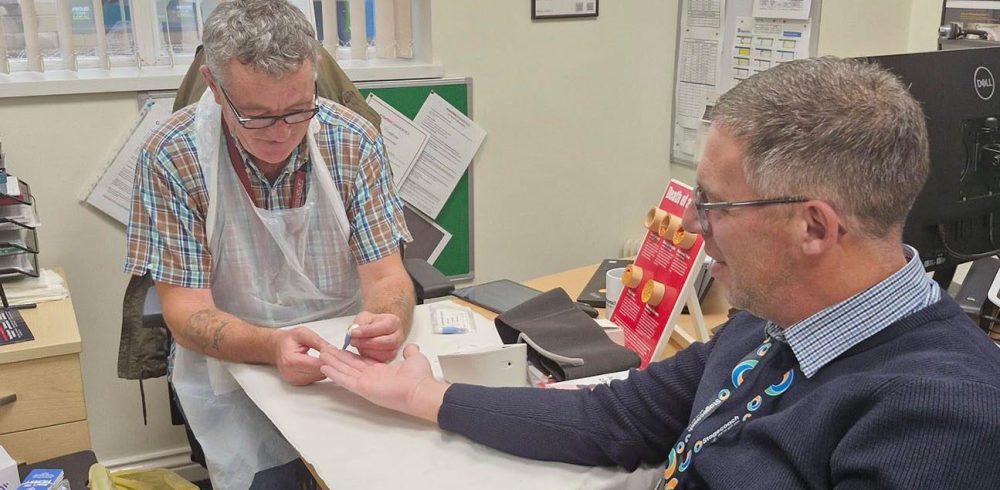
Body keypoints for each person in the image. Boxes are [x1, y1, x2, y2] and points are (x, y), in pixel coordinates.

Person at [318, 56, 1000, 488]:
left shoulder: (944, 419)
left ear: (814, 227)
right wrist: (424, 396)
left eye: (715, 203)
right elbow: (615, 417)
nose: (693, 223)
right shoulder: (777, 321)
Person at [124, 0, 413, 488]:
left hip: (344, 360)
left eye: (298, 110)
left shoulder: (353, 140)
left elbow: (387, 277)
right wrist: (273, 345)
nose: (282, 133)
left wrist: (388, 319)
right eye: (257, 116)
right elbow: (185, 313)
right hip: (233, 372)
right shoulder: (173, 157)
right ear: (215, 87)